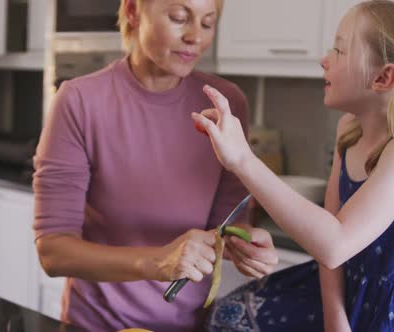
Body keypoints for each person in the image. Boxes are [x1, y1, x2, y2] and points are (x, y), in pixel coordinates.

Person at [192, 1, 394, 331]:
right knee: (229, 314)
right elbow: (329, 233)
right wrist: (335, 317)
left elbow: (335, 243)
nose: (324, 59)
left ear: (383, 76)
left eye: (340, 50)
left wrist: (243, 159)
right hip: (339, 289)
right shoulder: (349, 127)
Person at [31, 0, 278, 331]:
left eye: (207, 23)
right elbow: (53, 252)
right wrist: (157, 262)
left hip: (190, 325)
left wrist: (245, 243)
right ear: (133, 12)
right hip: (96, 325)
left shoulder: (226, 104)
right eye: (179, 18)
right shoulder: (79, 101)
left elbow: (225, 226)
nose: (195, 36)